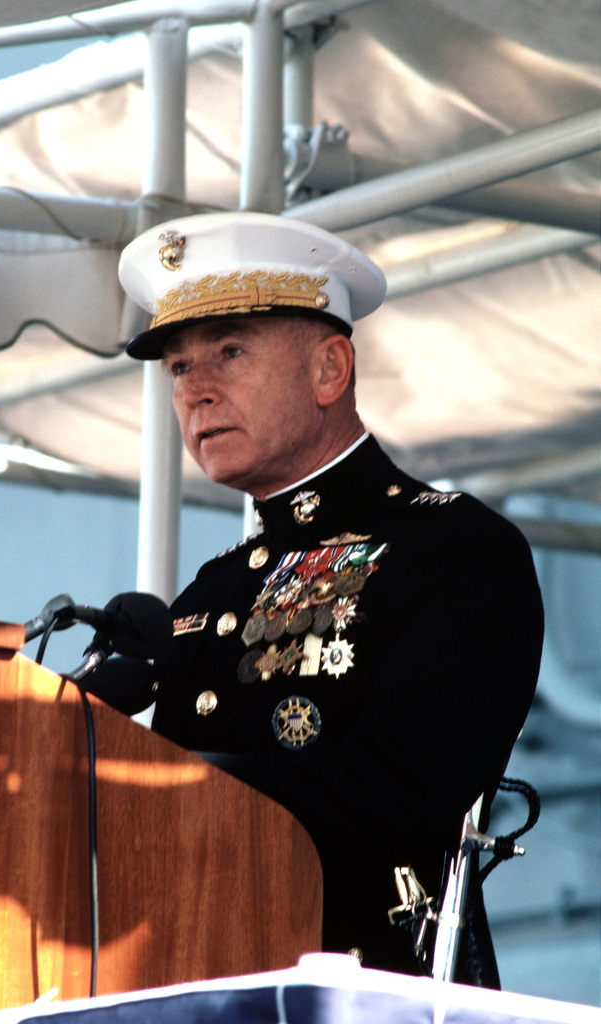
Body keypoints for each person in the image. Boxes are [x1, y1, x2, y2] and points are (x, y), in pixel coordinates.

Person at [110, 211, 544, 984]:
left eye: (229, 352)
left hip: (363, 990)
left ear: (328, 370)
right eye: (178, 368)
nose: (195, 392)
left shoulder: (448, 551)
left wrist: (158, 787)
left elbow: (407, 785)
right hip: (198, 979)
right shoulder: (211, 588)